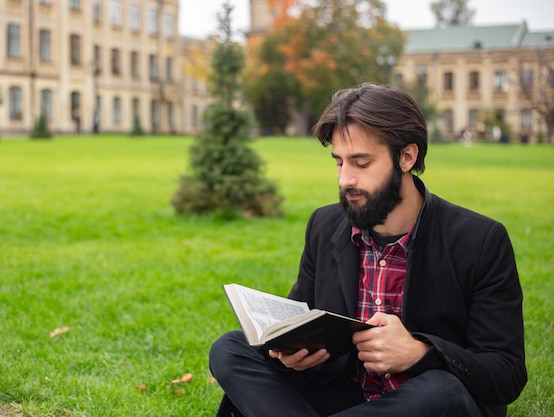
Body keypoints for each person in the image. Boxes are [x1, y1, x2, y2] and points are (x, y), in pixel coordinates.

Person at [209, 83, 527, 417]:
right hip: (348, 396)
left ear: (406, 157)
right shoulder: (324, 225)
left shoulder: (479, 240)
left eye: (361, 164)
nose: (344, 179)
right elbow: (300, 324)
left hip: (426, 402)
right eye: (339, 163)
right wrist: (287, 355)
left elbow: (506, 373)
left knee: (441, 390)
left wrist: (420, 353)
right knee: (230, 349)